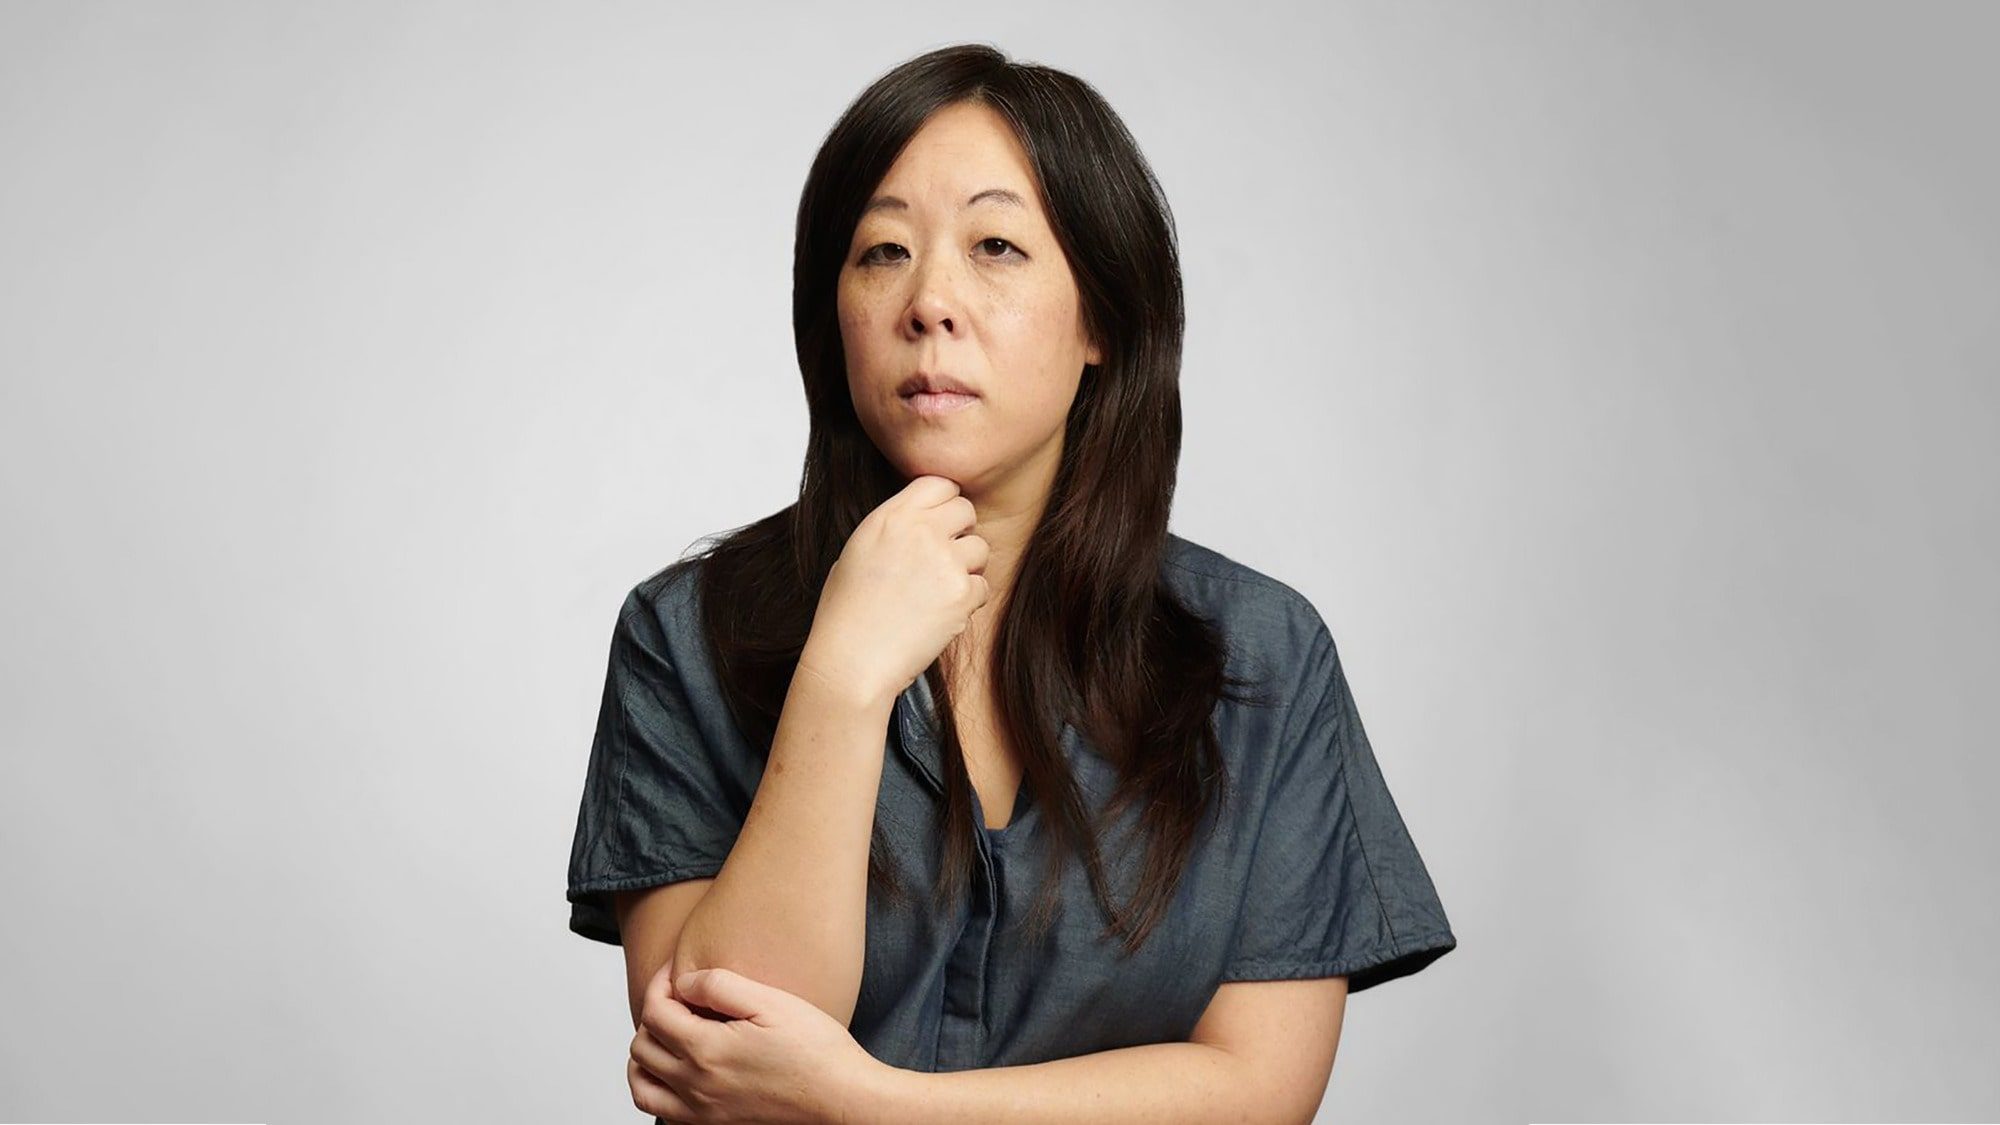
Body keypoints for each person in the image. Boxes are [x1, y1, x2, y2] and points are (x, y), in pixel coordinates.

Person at [565, 41, 1457, 1123]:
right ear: (830, 311)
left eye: (995, 246)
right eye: (881, 250)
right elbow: (718, 1067)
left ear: (1099, 319)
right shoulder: (683, 636)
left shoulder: (1259, 652)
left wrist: (867, 1106)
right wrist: (842, 682)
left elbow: (1257, 1091)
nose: (930, 301)